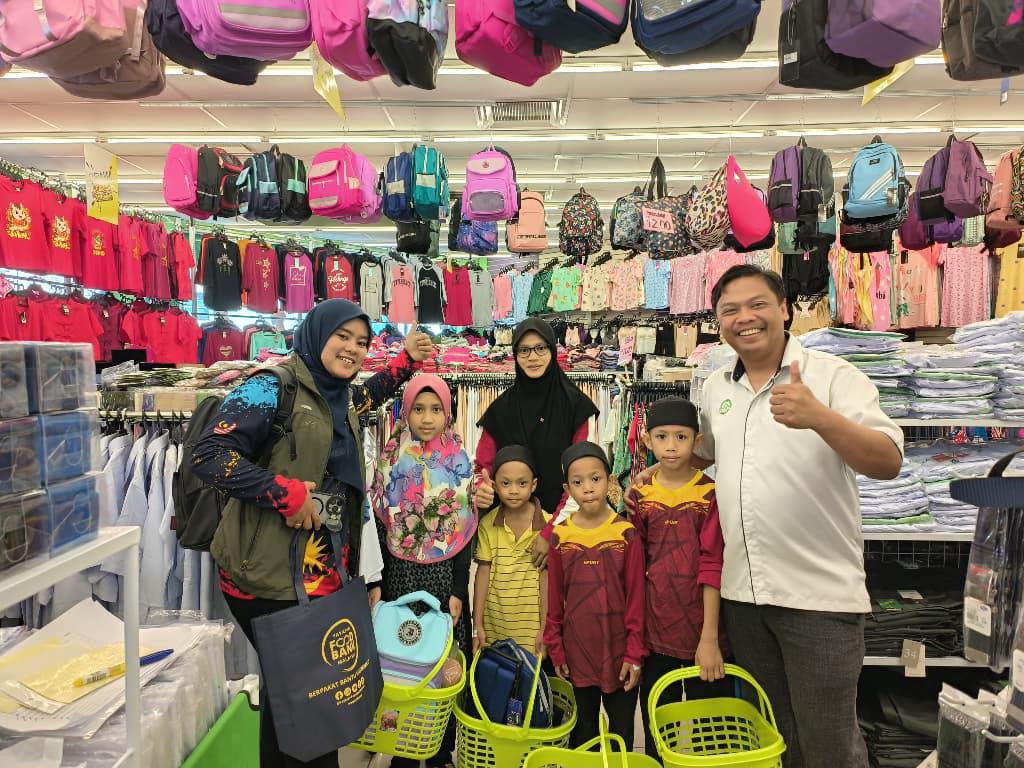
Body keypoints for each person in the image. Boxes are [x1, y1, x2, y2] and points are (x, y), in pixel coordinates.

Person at [629, 264, 903, 768]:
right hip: (743, 598)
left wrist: (819, 417)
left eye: (757, 304)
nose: (744, 318)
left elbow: (888, 461)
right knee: (772, 736)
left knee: (829, 744)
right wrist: (658, 471)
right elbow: (707, 452)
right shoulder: (716, 387)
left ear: (785, 309)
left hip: (817, 596)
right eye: (729, 310)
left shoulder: (832, 376)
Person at [193, 300, 434, 768]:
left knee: (293, 699)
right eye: (342, 336)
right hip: (268, 575)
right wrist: (281, 492)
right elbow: (208, 454)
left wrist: (406, 360)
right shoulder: (272, 386)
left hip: (316, 571)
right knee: (310, 703)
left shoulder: (337, 395)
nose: (352, 349)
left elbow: (370, 394)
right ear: (317, 333)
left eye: (361, 342)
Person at [369, 373, 475, 768]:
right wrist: (377, 582)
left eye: (435, 409)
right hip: (399, 577)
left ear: (447, 413)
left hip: (444, 578)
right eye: (418, 409)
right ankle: (401, 745)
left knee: (443, 659)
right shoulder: (390, 460)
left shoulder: (460, 463)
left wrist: (459, 589)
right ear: (405, 412)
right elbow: (380, 527)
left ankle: (441, 748)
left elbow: (464, 532)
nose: (427, 418)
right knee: (400, 655)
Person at [631, 396, 726, 759]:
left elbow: (713, 565)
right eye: (662, 437)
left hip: (703, 629)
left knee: (709, 730)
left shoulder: (709, 494)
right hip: (655, 631)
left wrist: (710, 638)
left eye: (681, 437)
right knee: (659, 725)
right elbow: (636, 564)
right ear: (647, 440)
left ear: (697, 441)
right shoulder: (640, 495)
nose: (671, 446)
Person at [544, 442, 646, 749]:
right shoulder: (560, 536)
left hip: (619, 654)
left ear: (610, 482)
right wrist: (556, 649)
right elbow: (554, 601)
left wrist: (634, 654)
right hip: (576, 654)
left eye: (595, 479)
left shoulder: (625, 533)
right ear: (567, 489)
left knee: (621, 734)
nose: (587, 488)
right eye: (578, 482)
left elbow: (636, 599)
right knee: (583, 734)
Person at [472, 445, 550, 656]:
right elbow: (483, 574)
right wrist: (477, 625)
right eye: (506, 483)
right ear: (495, 486)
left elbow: (547, 580)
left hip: (533, 634)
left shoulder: (548, 526)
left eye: (521, 483)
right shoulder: (487, 524)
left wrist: (545, 628)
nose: (514, 490)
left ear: (533, 485)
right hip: (494, 631)